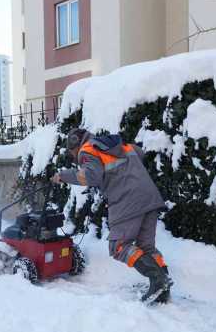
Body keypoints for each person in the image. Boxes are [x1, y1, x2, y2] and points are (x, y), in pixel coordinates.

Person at [51, 128, 173, 304]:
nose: (74, 157)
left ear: (75, 145)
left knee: (118, 246)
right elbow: (139, 153)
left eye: (72, 153)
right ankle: (163, 286)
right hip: (149, 196)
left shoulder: (87, 150)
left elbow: (90, 176)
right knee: (146, 247)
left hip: (127, 200)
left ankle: (158, 280)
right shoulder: (114, 144)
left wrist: (63, 176)